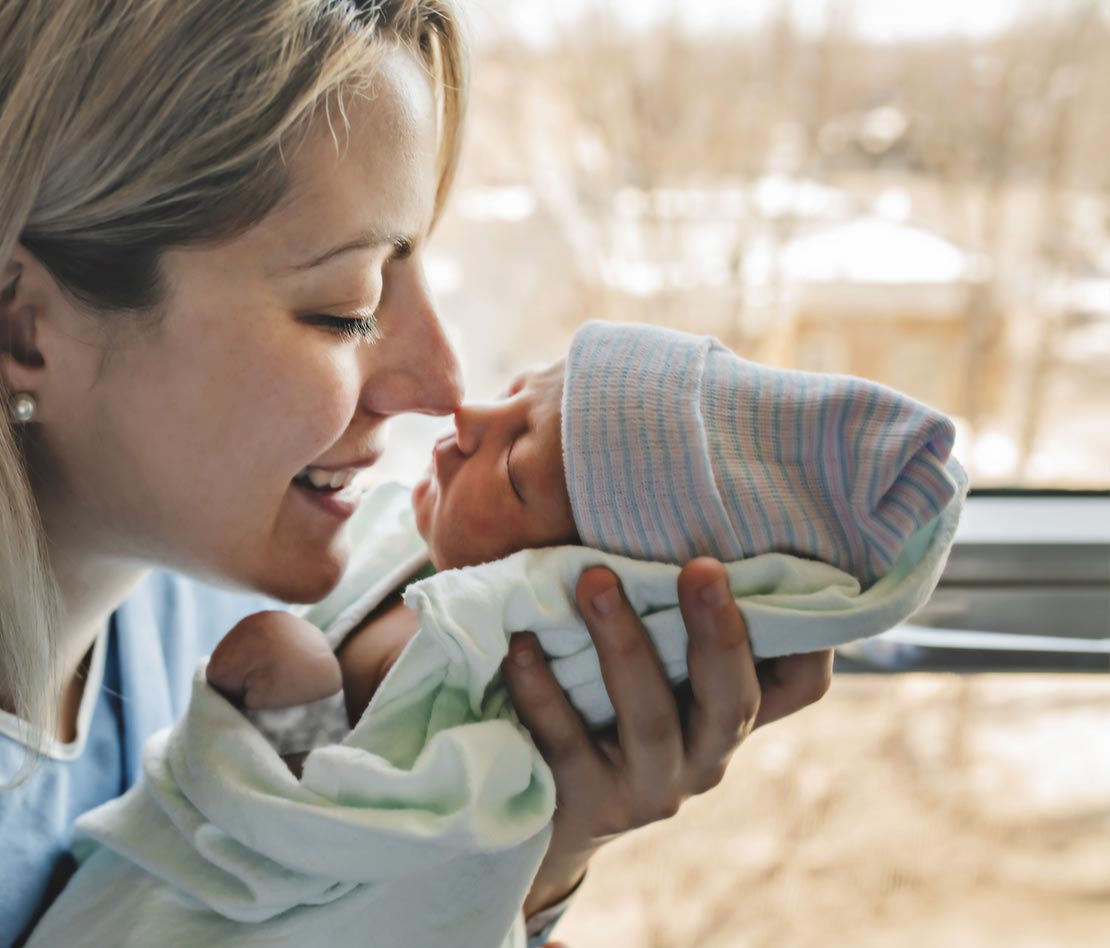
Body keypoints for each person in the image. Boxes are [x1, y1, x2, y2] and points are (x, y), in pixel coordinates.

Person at [0, 3, 833, 947]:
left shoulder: (216, 615)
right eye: (344, 308)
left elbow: (276, 893)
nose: (441, 385)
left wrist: (519, 858)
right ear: (26, 328)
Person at [207, 318, 963, 748]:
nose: (468, 416)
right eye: (513, 395)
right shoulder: (403, 547)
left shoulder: (475, 660)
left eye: (515, 472)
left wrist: (293, 701)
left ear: (567, 587)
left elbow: (349, 838)